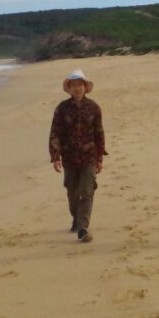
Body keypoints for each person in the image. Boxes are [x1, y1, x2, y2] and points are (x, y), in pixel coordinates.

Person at [49, 69, 106, 243]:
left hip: (89, 156)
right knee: (73, 193)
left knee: (87, 192)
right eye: (73, 86)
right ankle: (76, 218)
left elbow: (99, 133)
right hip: (69, 158)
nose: (77, 89)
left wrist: (99, 158)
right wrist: (55, 156)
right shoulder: (62, 108)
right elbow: (55, 133)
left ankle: (83, 228)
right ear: (70, 88)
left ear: (85, 87)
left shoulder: (94, 107)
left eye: (80, 85)